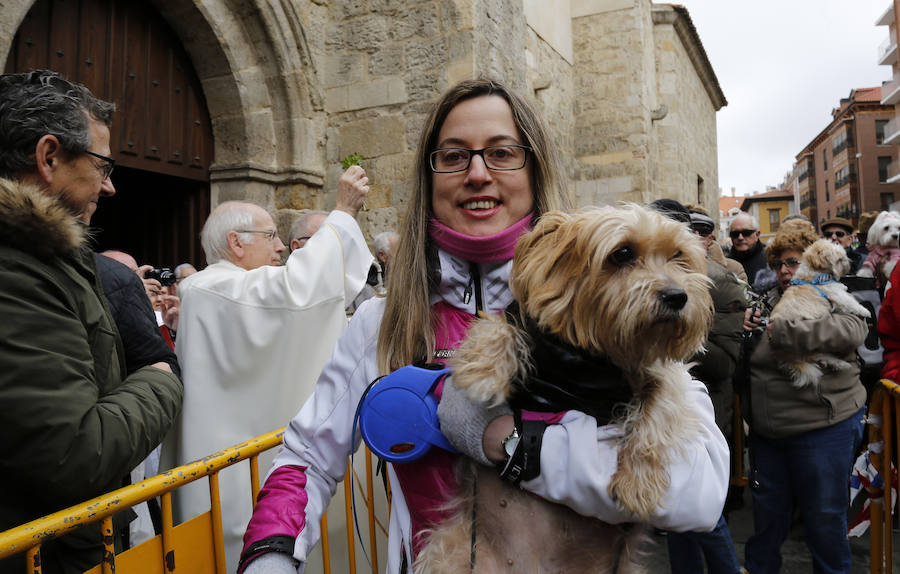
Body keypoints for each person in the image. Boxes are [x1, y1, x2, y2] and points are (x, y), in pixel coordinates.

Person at [237, 79, 730, 573]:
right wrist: (270, 558)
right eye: (453, 157)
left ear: (535, 170)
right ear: (429, 179)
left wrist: (506, 442)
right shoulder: (381, 324)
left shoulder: (605, 311)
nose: (477, 174)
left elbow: (698, 493)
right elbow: (305, 459)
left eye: (501, 153)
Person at [0, 70, 182, 574]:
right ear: (50, 157)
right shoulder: (17, 270)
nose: (111, 185)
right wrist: (159, 381)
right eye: (102, 165)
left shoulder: (47, 257)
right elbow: (75, 454)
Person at [162, 168, 372, 570]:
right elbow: (299, 288)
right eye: (270, 235)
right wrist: (342, 212)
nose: (279, 248)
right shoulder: (211, 289)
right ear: (235, 242)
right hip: (233, 475)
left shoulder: (228, 288)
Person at [741, 222, 867, 574]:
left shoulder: (831, 294)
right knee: (766, 524)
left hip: (824, 428)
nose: (785, 270)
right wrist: (745, 332)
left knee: (825, 524)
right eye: (779, 263)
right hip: (769, 435)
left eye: (793, 262)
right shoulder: (764, 303)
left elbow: (854, 329)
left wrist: (789, 332)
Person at [652, 200, 744, 574]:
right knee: (675, 515)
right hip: (658, 408)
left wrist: (670, 339)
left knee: (703, 512)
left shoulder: (718, 282)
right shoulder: (646, 278)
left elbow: (723, 361)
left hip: (699, 413)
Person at [727, 212, 770, 290]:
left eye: (746, 233)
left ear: (757, 234)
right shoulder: (725, 263)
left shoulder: (771, 259)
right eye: (735, 234)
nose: (740, 237)